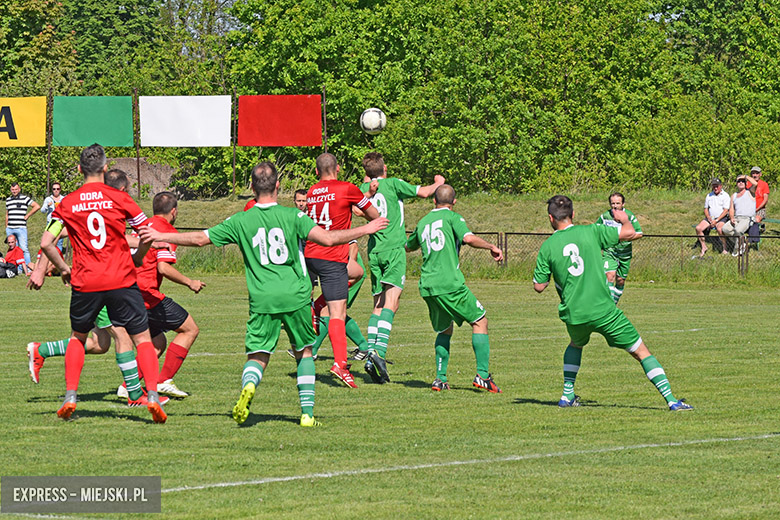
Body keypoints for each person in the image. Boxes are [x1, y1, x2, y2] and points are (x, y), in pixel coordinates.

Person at [138, 162, 388, 427]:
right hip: (295, 295)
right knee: (303, 351)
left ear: (251, 186)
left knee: (257, 355)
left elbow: (200, 239)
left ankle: (249, 387)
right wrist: (365, 229)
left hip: (262, 298)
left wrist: (158, 234)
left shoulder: (241, 219)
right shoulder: (295, 216)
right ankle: (307, 414)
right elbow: (326, 239)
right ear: (278, 185)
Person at [27, 144, 167, 423]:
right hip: (121, 279)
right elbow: (147, 235)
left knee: (79, 338)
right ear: (105, 169)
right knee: (140, 338)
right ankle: (151, 395)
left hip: (85, 281)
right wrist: (137, 258)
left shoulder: (66, 203)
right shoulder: (120, 198)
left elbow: (46, 243)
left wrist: (65, 268)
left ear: (79, 170)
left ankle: (70, 397)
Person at [533, 195, 692, 411]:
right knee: (641, 352)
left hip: (575, 314)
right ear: (573, 215)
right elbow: (629, 233)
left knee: (576, 344)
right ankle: (672, 401)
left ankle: (567, 395)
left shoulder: (547, 246)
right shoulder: (591, 231)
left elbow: (539, 286)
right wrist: (624, 219)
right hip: (604, 311)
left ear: (551, 218)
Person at [405, 184, 504, 392]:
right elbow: (468, 238)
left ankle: (440, 379)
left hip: (428, 286)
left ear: (434, 201)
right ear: (454, 202)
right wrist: (491, 246)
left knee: (444, 329)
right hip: (449, 283)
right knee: (480, 320)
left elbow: (409, 246)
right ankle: (483, 376)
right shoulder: (453, 218)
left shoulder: (423, 222)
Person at [359, 151, 445, 383]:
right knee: (392, 302)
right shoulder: (394, 184)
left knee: (378, 304)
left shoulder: (363, 189)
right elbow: (426, 192)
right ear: (384, 169)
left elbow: (356, 209)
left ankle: (370, 356)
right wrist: (439, 182)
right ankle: (379, 353)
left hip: (374, 250)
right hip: (394, 249)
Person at [304, 153, 380, 388]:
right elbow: (373, 215)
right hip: (332, 256)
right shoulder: (347, 188)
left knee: (354, 275)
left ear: (317, 172)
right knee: (337, 312)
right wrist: (368, 201)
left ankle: (316, 308)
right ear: (338, 168)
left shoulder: (311, 192)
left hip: (310, 255)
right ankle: (340, 364)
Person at [595, 192, 642, 304]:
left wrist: (623, 238)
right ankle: (609, 307)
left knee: (620, 281)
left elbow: (639, 233)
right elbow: (595, 231)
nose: (615, 206)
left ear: (623, 204)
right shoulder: (604, 216)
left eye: (617, 203)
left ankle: (613, 304)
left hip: (625, 254)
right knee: (609, 276)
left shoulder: (629, 216)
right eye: (612, 203)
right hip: (609, 252)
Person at [6, 181, 40, 266]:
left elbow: (37, 206)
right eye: (13, 189)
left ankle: (28, 267)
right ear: (10, 189)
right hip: (10, 228)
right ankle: (15, 267)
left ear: (19, 189)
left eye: (16, 189)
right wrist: (6, 226)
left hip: (20, 227)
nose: (14, 191)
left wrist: (28, 215)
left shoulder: (25, 198)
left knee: (24, 249)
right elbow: (7, 214)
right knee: (13, 249)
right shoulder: (8, 200)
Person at [694, 178, 730, 257]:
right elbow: (706, 208)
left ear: (721, 186)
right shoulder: (709, 195)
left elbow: (726, 210)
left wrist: (716, 220)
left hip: (721, 218)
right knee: (698, 228)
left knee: (720, 229)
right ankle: (703, 246)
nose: (715, 188)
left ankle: (725, 248)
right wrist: (708, 217)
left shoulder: (725, 196)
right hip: (710, 217)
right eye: (714, 186)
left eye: (717, 186)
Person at [722, 175, 756, 256]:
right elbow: (731, 209)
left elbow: (755, 184)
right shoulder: (734, 195)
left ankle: (736, 250)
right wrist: (732, 217)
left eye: (743, 181)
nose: (741, 182)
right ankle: (742, 243)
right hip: (736, 218)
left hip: (747, 218)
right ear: (736, 184)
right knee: (725, 229)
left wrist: (745, 176)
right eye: (739, 181)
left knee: (738, 230)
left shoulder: (750, 192)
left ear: (746, 183)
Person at [40, 182, 66, 252]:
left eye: (58, 189)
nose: (56, 190)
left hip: (60, 222)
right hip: (50, 222)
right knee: (49, 242)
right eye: (54, 189)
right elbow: (42, 211)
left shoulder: (64, 199)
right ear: (52, 190)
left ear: (60, 190)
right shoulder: (48, 199)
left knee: (59, 243)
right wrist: (47, 206)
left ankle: (58, 258)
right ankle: (50, 259)